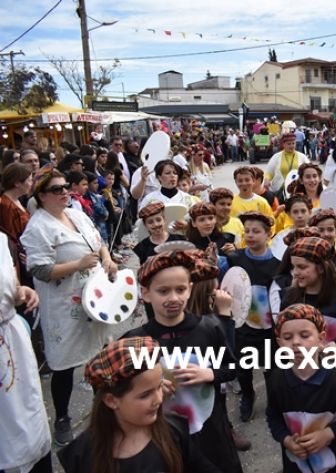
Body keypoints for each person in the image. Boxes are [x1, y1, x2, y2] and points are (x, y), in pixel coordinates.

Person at [20, 167, 116, 446]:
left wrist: (107, 259)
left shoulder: (76, 213)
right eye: (57, 189)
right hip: (65, 306)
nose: (65, 192)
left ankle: (105, 408)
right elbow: (38, 269)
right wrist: (77, 264)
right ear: (41, 196)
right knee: (65, 363)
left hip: (96, 295)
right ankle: (62, 417)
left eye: (65, 187)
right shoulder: (37, 227)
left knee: (100, 352)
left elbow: (99, 242)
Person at [124, 251, 243, 473]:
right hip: (162, 433)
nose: (173, 298)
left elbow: (231, 367)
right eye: (163, 291)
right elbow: (120, 391)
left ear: (190, 288)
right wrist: (151, 388)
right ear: (146, 294)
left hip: (211, 431)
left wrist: (210, 374)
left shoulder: (210, 327)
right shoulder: (135, 341)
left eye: (180, 290)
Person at [57, 336, 222, 472]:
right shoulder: (83, 455)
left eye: (159, 386)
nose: (158, 399)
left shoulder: (173, 430)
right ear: (111, 400)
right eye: (145, 395)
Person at [266, 304, 336, 473]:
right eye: (287, 337)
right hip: (296, 463)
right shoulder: (277, 380)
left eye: (304, 335)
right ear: (279, 343)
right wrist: (286, 440)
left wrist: (329, 434)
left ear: (321, 338)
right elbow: (273, 416)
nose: (295, 342)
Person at [0, 231, 52, 473]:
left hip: (12, 342)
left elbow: (9, 287)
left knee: (29, 420)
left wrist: (20, 292)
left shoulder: (1, 240)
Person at [227, 211, 281, 422]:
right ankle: (248, 394)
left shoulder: (277, 266)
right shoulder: (235, 259)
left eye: (256, 231)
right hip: (242, 325)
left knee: (270, 368)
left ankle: (274, 401)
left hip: (268, 327)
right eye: (247, 231)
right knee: (243, 366)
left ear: (268, 234)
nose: (250, 235)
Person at [280, 236, 336, 356]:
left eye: (302, 267)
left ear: (321, 268)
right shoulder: (289, 297)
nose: (295, 272)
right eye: (294, 266)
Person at [264, 133, 309, 199]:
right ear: (283, 144)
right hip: (280, 190)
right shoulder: (276, 157)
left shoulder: (302, 157)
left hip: (298, 190)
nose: (291, 146)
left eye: (293, 143)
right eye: (289, 144)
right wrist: (267, 180)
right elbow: (269, 172)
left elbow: (310, 169)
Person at [0, 162, 32, 243]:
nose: (31, 184)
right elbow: (10, 238)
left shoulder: (16, 200)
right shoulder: (5, 205)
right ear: (17, 183)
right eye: (29, 180)